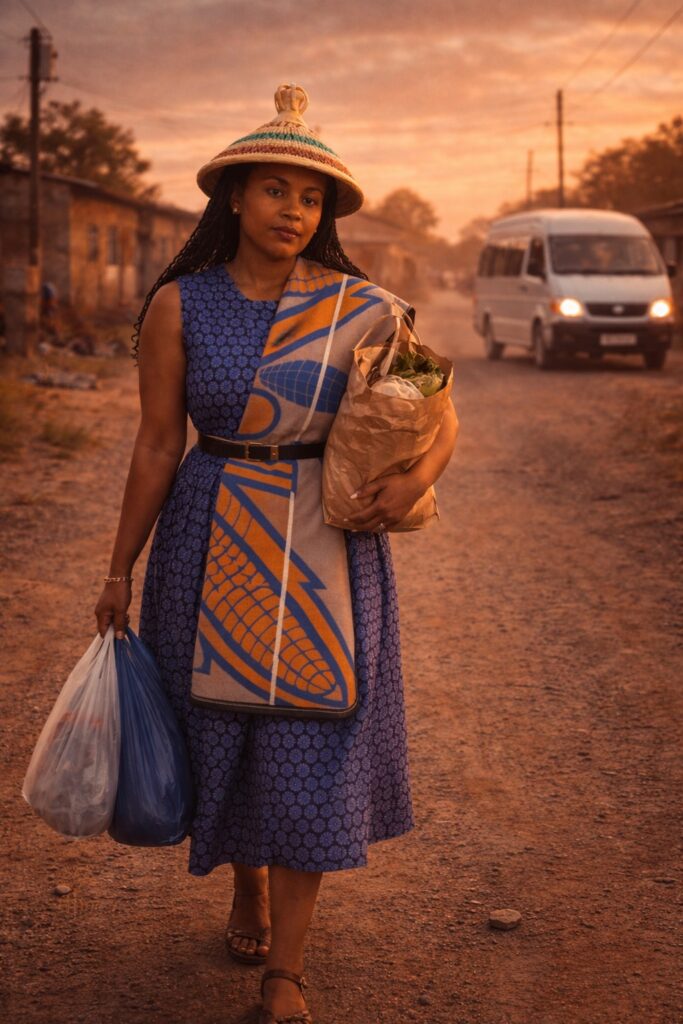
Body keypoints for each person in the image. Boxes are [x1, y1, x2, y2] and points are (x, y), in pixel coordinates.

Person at [94, 83, 458, 1024]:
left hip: (324, 540)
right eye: (273, 191)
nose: (293, 210)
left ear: (324, 213)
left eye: (309, 198)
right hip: (210, 531)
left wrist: (415, 483)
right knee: (228, 719)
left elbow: (438, 414)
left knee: (309, 730)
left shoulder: (366, 309)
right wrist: (118, 565)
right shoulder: (179, 306)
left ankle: (284, 975)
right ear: (233, 201)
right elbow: (153, 444)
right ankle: (245, 878)